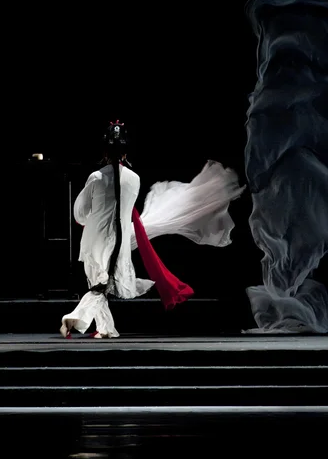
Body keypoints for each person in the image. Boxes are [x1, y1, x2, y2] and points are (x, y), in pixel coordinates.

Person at [60, 121, 245, 339]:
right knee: (102, 282)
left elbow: (79, 213)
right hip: (121, 239)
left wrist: (91, 219)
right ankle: (107, 328)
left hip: (98, 239)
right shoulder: (134, 179)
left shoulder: (96, 177)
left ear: (104, 150)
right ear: (125, 151)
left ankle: (73, 319)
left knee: (99, 283)